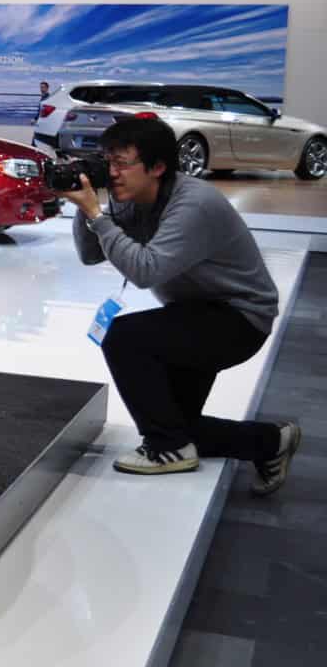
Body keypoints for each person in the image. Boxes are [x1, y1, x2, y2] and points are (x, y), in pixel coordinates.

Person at [62, 117, 300, 489]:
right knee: (177, 423)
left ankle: (168, 449)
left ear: (157, 167)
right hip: (195, 313)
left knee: (124, 337)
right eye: (107, 162)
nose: (112, 173)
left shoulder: (194, 204)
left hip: (240, 319)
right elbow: (91, 254)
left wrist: (96, 214)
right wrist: (84, 206)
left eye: (122, 163)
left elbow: (146, 271)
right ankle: (271, 441)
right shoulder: (135, 200)